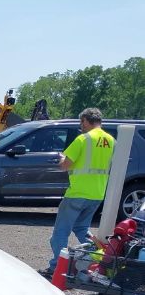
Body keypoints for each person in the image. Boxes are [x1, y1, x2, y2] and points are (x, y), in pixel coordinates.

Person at [42, 107, 115, 277]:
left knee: (60, 233)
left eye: (81, 122)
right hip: (97, 194)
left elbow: (65, 165)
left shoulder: (83, 139)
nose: (80, 126)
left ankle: (57, 267)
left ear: (86, 121)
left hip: (77, 193)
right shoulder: (111, 140)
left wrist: (61, 159)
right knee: (82, 228)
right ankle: (101, 257)